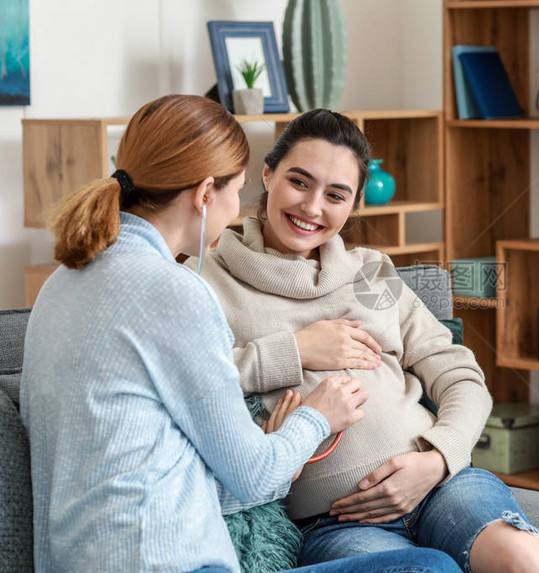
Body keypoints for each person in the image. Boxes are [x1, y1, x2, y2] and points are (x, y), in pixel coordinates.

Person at [19, 94, 462, 573]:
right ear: (206, 193)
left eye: (336, 193)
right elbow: (252, 479)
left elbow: (150, 473)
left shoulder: (62, 282)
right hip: (166, 562)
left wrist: (278, 453)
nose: (238, 205)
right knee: (427, 568)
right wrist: (314, 419)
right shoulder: (180, 290)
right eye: (238, 189)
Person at [189, 108, 539, 573]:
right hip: (333, 519)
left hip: (441, 486)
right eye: (299, 181)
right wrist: (294, 351)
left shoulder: (371, 271)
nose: (312, 208)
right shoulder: (209, 279)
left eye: (336, 194)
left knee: (524, 560)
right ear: (267, 174)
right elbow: (189, 384)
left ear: (352, 206)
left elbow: (460, 374)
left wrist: (437, 458)